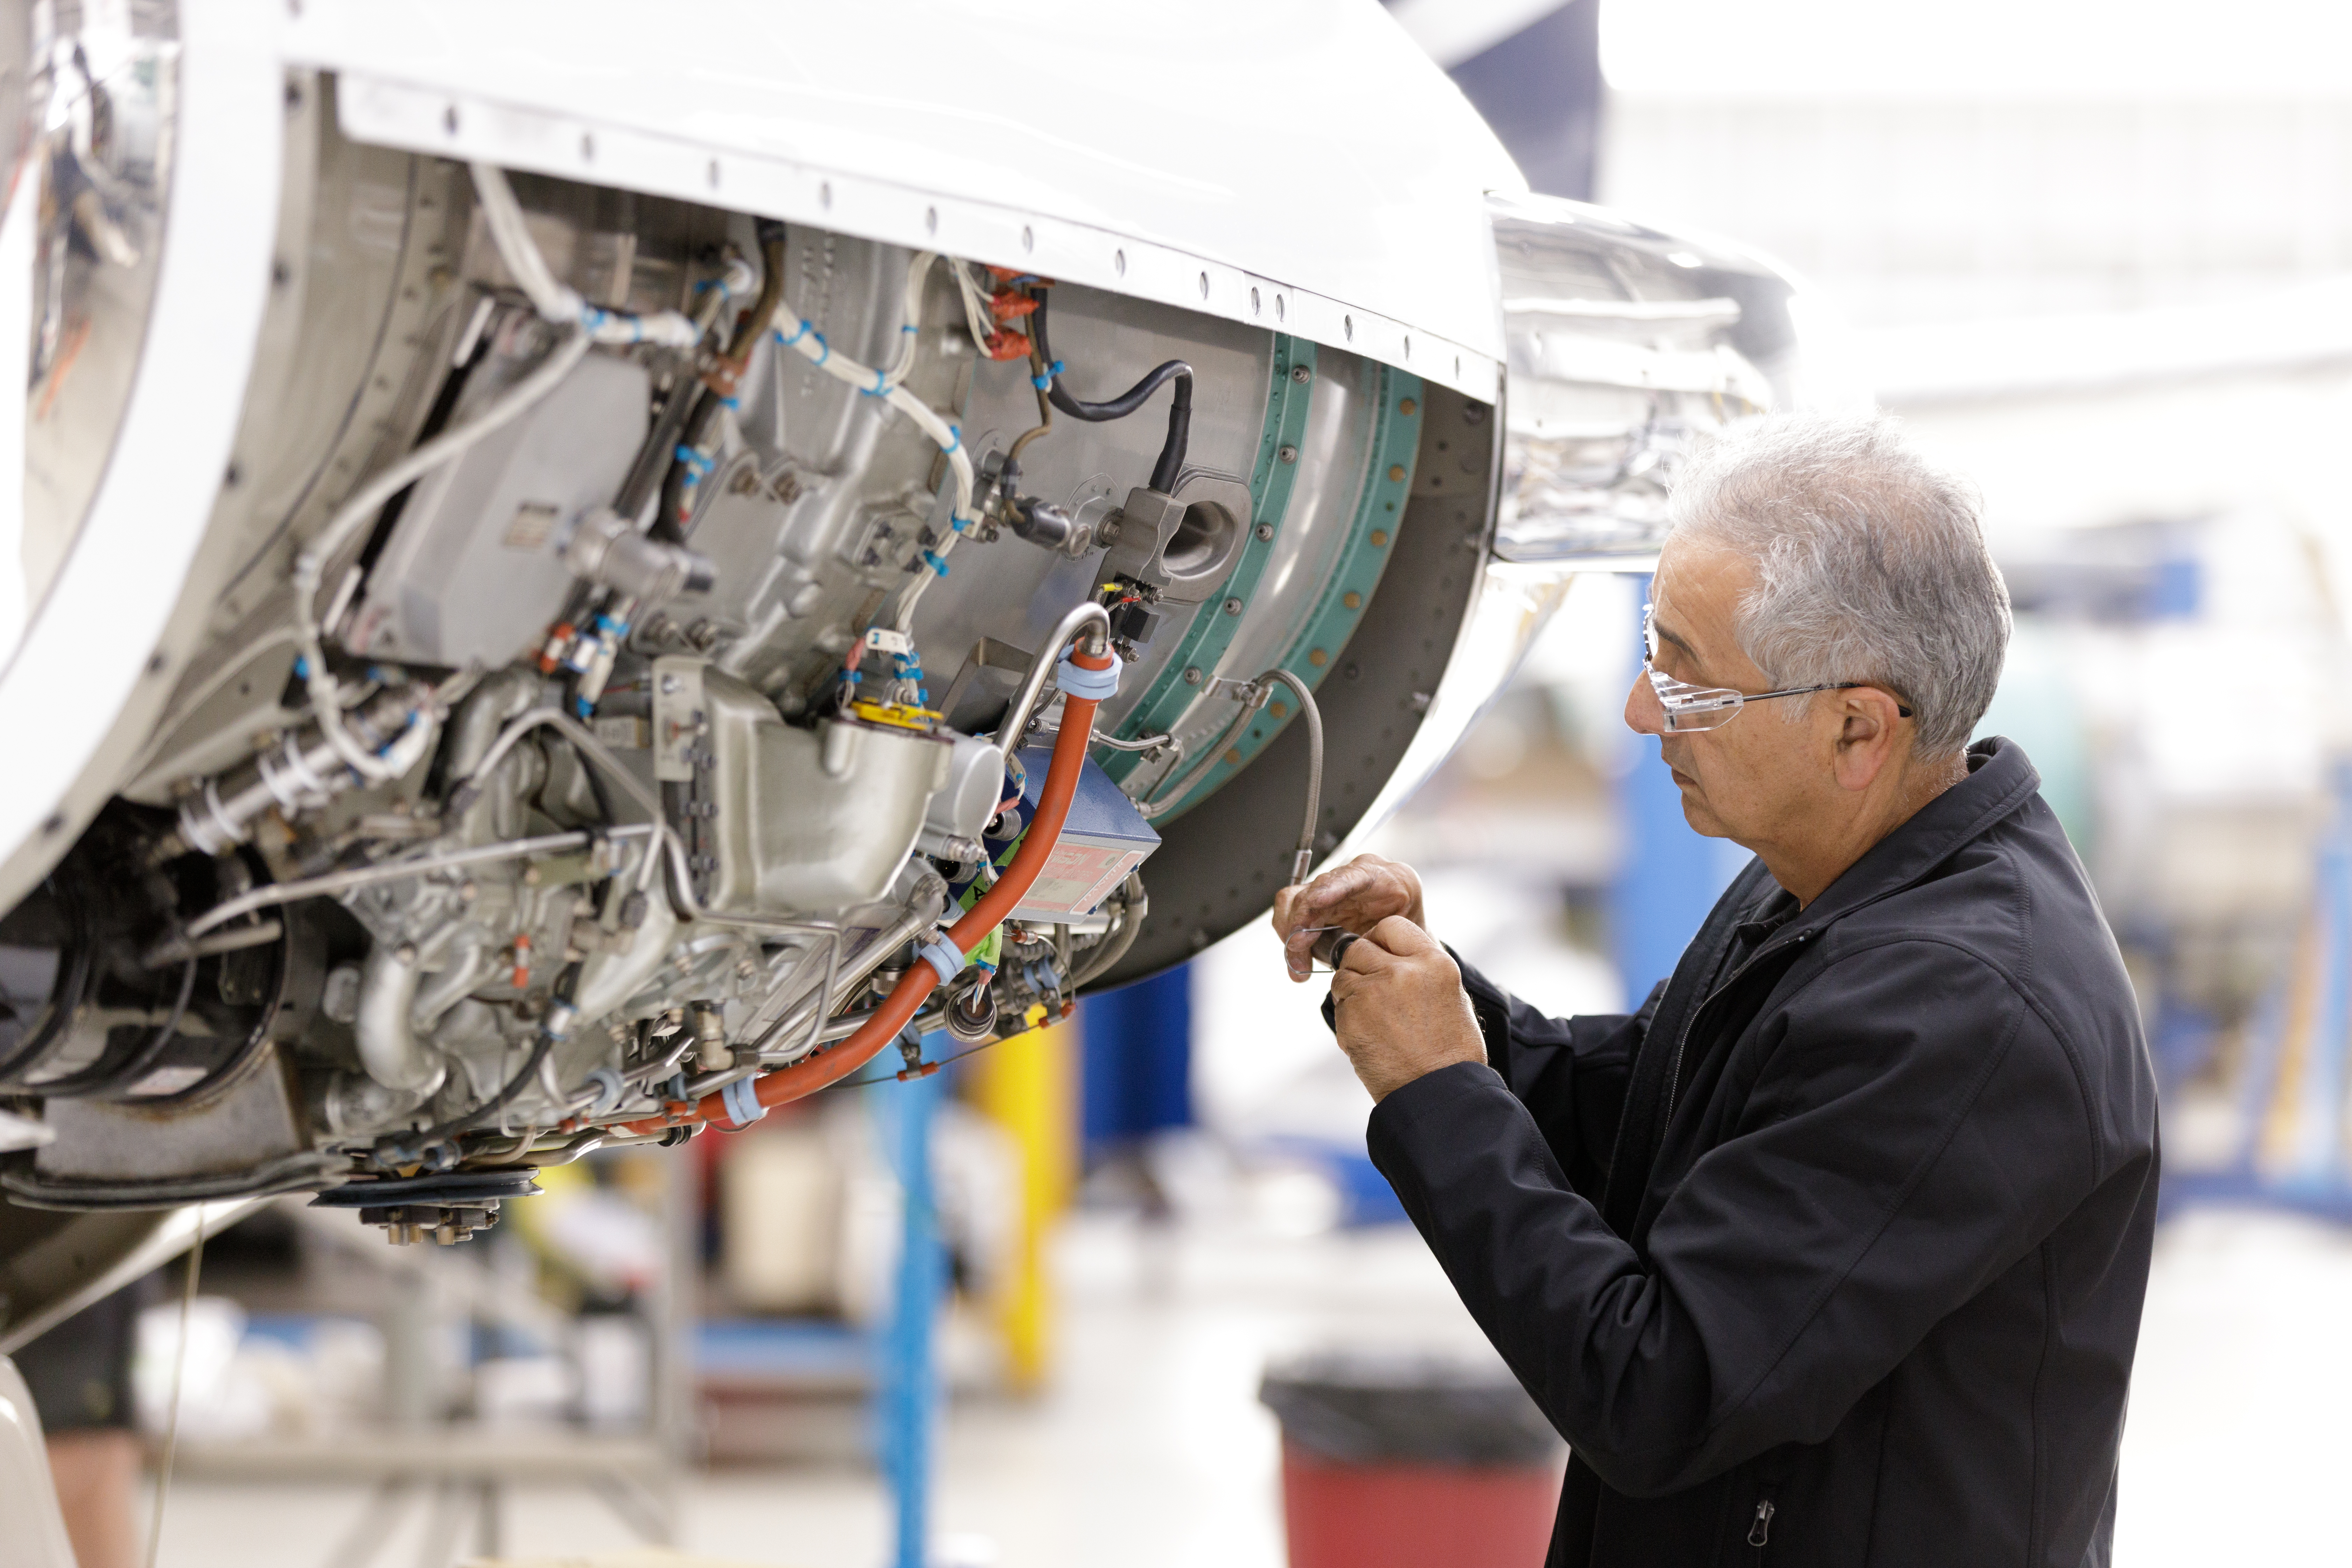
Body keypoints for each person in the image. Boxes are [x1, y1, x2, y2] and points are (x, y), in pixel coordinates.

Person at [1276, 412, 2157, 1568]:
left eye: (1689, 682)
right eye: (1653, 655)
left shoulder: (1962, 1011)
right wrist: (1439, 996)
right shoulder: (1834, 881)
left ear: (1857, 729)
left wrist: (1439, 1090)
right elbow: (1645, 1118)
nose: (1644, 714)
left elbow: (1658, 1390)